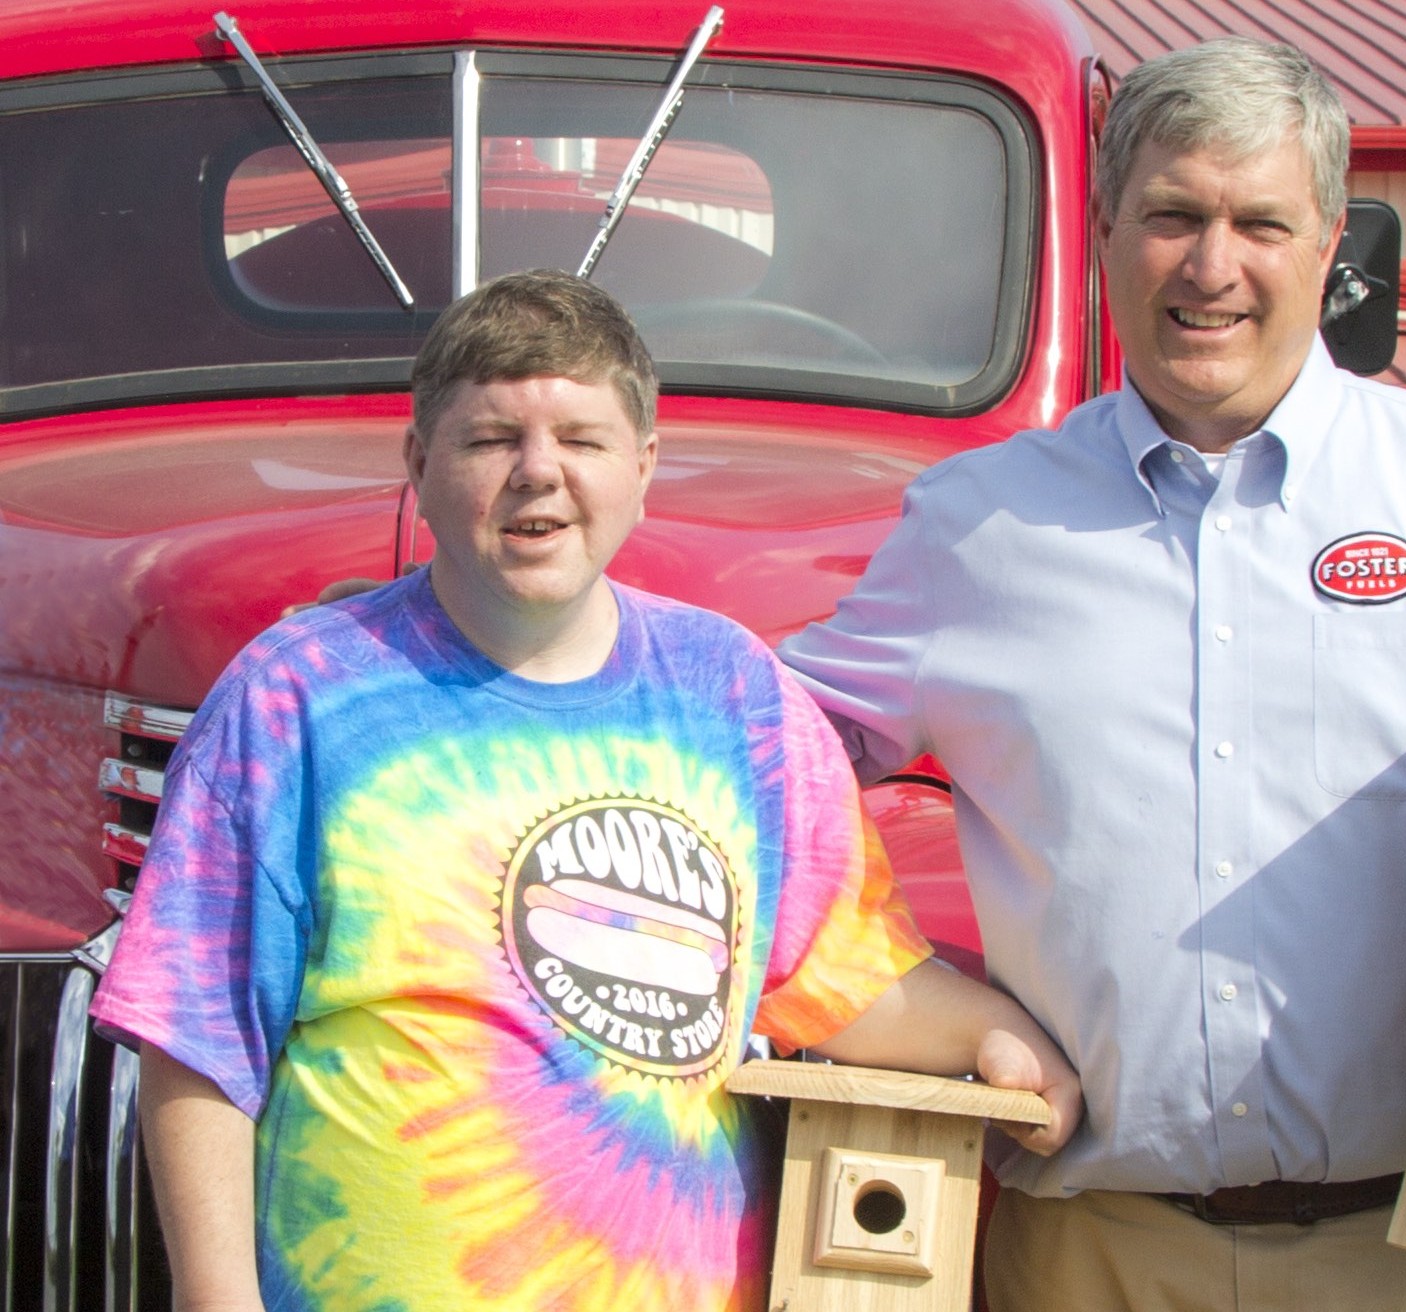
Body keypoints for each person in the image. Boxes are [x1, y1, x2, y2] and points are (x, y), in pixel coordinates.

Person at [775, 38, 1406, 1312]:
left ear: (1327, 244)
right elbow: (762, 763)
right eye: (1172, 215)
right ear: (1104, 229)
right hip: (1088, 1252)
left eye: (1258, 221)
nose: (1210, 266)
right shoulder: (972, 527)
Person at [90, 270, 1080, 1312]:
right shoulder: (296, 696)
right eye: (489, 439)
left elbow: (841, 976)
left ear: (642, 468)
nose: (537, 474)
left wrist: (988, 1034)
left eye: (581, 438)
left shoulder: (731, 693)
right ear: (418, 465)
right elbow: (198, 1038)